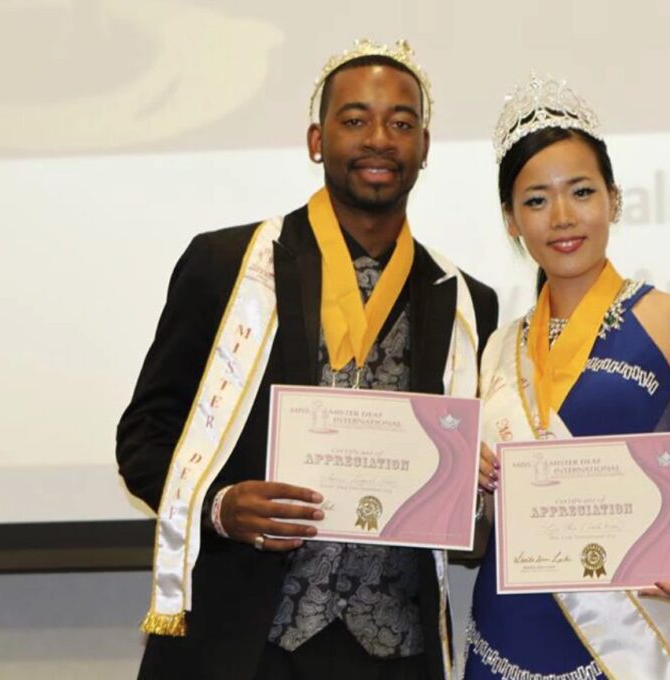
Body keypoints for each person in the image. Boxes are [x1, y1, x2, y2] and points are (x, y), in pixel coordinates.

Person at [117, 39, 498, 680]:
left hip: (394, 651)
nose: (379, 138)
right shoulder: (229, 267)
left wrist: (481, 487)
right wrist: (220, 504)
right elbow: (145, 438)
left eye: (401, 123)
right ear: (317, 140)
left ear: (425, 148)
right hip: (239, 642)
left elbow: (464, 494)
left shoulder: (465, 303)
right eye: (355, 120)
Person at [461, 76, 670, 680]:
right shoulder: (495, 348)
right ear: (511, 221)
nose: (563, 217)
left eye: (581, 192)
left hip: (631, 642)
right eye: (537, 200)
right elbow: (477, 535)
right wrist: (469, 486)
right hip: (502, 640)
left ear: (614, 200)